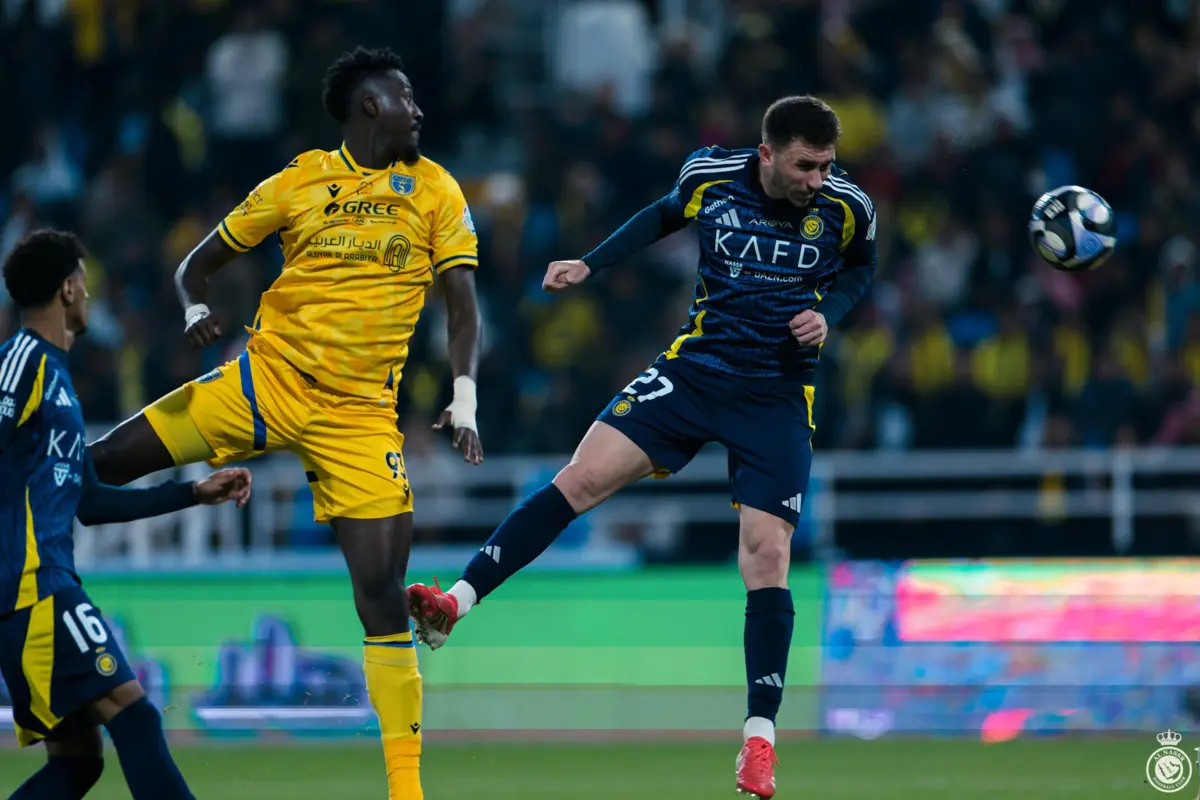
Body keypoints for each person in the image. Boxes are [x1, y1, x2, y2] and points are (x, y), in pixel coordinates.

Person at [407, 95, 877, 799]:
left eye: (827, 165)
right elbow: (661, 215)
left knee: (766, 553)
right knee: (580, 479)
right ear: (768, 154)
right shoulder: (710, 177)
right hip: (694, 371)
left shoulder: (846, 206)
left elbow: (861, 268)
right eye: (806, 165)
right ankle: (455, 602)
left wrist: (828, 314)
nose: (818, 179)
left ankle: (759, 741)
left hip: (776, 393)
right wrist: (590, 265)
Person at [86, 47, 484, 799]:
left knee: (381, 592)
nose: (419, 110)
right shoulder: (299, 181)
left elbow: (463, 308)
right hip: (263, 381)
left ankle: (407, 791)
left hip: (362, 414)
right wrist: (195, 306)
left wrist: (463, 396)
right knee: (97, 464)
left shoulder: (434, 190)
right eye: (405, 97)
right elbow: (194, 263)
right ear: (370, 107)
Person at [0, 229, 252, 800]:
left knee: (78, 761)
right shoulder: (22, 362)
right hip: (33, 588)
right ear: (67, 289)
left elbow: (89, 502)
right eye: (86, 285)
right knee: (136, 718)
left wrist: (193, 493)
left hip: (40, 588)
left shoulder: (57, 378)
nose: (90, 296)